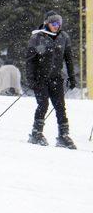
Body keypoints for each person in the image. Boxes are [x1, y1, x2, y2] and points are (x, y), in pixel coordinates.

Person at [26, 10, 77, 149]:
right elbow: (30, 61)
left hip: (56, 78)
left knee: (60, 106)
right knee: (43, 105)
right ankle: (36, 133)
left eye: (59, 23)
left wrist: (72, 77)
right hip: (40, 79)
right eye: (54, 23)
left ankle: (63, 136)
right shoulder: (37, 37)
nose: (57, 26)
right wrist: (31, 79)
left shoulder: (64, 37)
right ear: (47, 23)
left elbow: (68, 59)